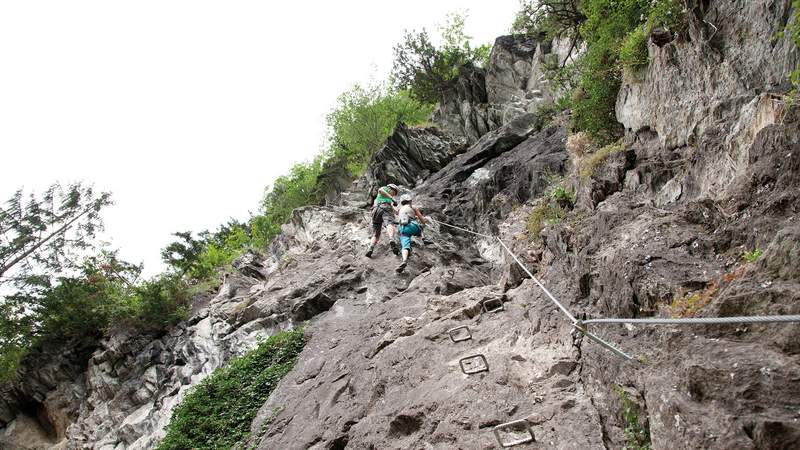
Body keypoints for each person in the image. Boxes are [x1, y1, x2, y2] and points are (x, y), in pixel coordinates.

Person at [365, 183, 399, 258]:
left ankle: (370, 248)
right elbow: (380, 190)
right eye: (394, 193)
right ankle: (391, 239)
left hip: (376, 210)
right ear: (392, 189)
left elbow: (394, 210)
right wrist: (392, 198)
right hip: (385, 208)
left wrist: (398, 211)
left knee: (376, 234)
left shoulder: (385, 198)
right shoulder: (386, 189)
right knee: (389, 223)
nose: (394, 195)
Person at [395, 193, 427, 273]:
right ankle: (424, 238)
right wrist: (424, 220)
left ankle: (404, 260)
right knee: (420, 228)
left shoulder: (400, 210)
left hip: (403, 228)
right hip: (413, 225)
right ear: (410, 201)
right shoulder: (413, 207)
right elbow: (422, 220)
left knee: (405, 246)